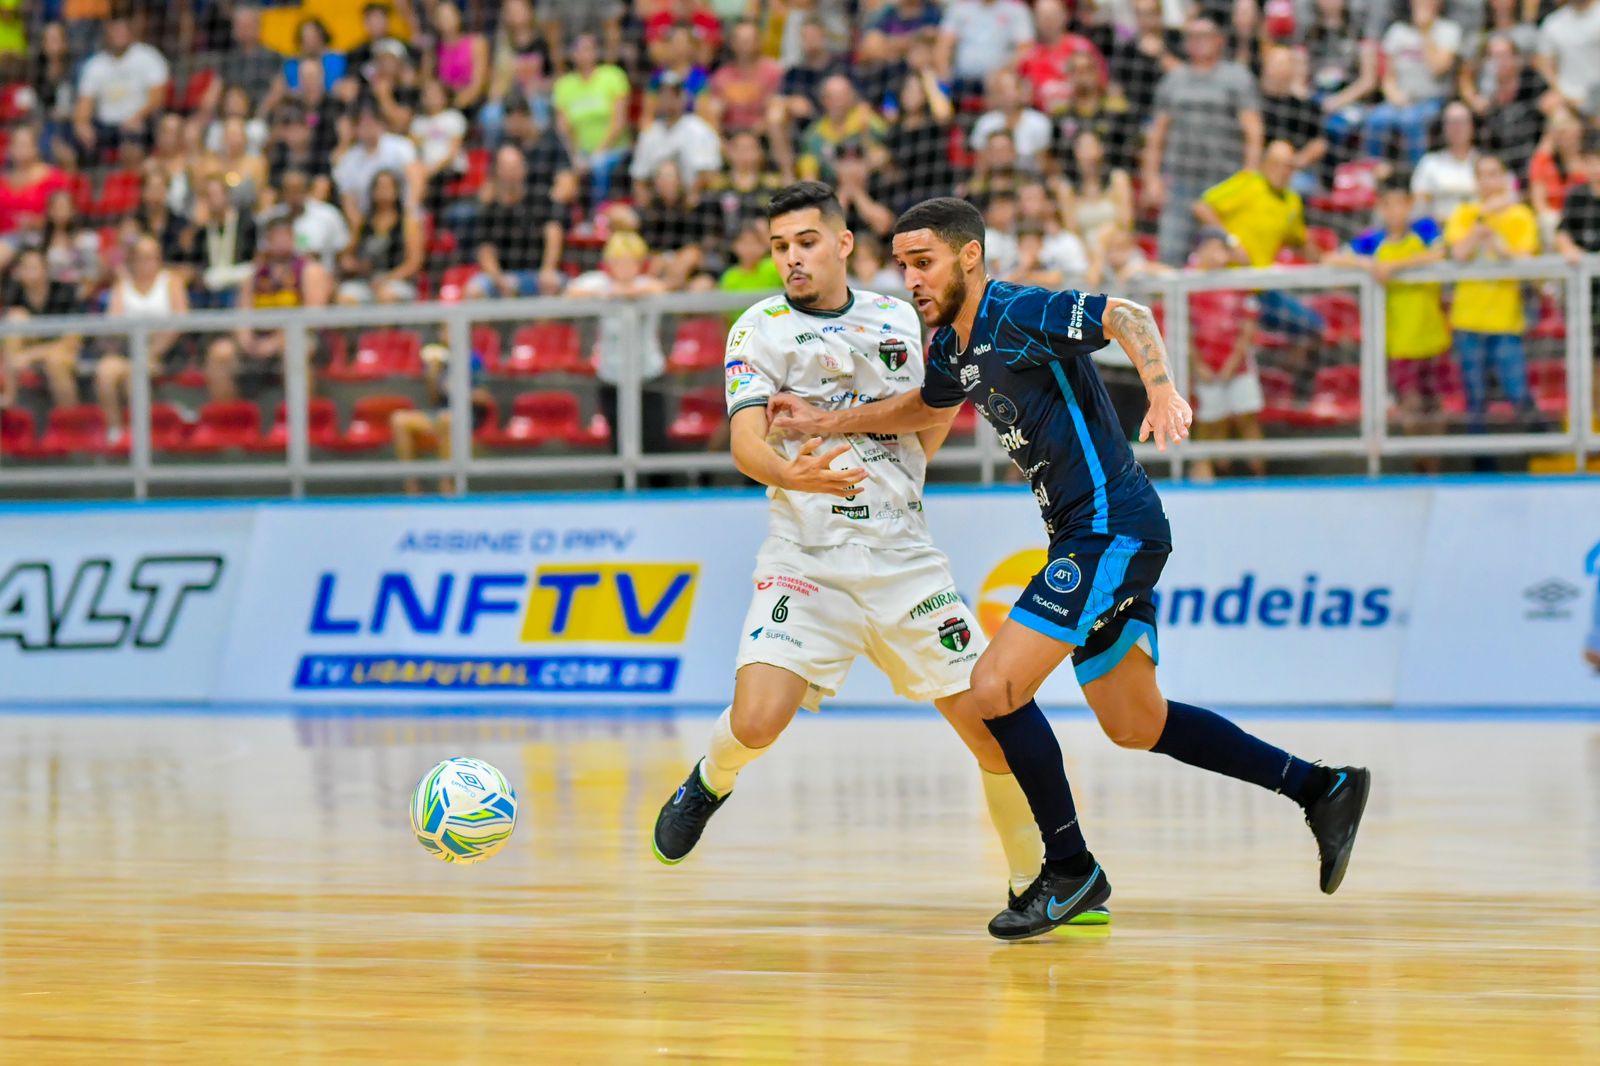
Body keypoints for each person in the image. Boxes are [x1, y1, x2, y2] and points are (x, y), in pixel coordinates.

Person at [768, 195, 1370, 938]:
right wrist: (827, 421)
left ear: (969, 257)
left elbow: (1128, 316)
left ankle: (1070, 869)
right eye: (902, 266)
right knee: (1136, 722)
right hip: (1084, 539)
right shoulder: (951, 348)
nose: (911, 279)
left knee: (994, 687)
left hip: (1111, 529)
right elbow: (925, 406)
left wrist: (1161, 388)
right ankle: (1321, 788)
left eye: (924, 262)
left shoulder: (1018, 311)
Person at [649, 182, 1111, 930]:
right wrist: (790, 473)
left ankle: (1037, 881)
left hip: (903, 557)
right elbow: (743, 442)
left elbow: (934, 411)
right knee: (758, 719)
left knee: (992, 730)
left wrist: (897, 462)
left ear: (842, 244)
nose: (792, 259)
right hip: (806, 555)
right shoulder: (757, 328)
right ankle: (709, 780)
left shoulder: (898, 317)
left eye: (805, 242)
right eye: (779, 247)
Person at [1338, 180, 1450, 451]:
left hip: (1433, 336)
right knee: (1410, 406)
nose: (1394, 211)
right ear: (1379, 208)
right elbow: (1332, 258)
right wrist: (1367, 264)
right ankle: (1419, 464)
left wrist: (1394, 266)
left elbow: (1441, 253)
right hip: (1399, 342)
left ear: (1410, 205)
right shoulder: (1373, 241)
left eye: (1400, 203)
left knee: (1436, 406)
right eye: (1387, 205)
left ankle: (1435, 466)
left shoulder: (1425, 230)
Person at [1142, 15, 1263, 265]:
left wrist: (1250, 174)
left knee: (1227, 257)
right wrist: (1152, 177)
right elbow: (1157, 134)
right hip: (1181, 184)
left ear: (1220, 40)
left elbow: (1253, 128)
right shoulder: (1173, 80)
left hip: (1225, 183)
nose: (1198, 41)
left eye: (1205, 35)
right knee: (1170, 256)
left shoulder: (1237, 76)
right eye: (1193, 36)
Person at [1193, 140, 1325, 348]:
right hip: (1228, 283)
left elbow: (1298, 241)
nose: (1282, 171)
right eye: (1276, 164)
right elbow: (1202, 207)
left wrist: (1326, 260)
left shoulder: (1292, 201)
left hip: (1261, 288)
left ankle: (1291, 369)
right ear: (1265, 164)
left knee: (1315, 326)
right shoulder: (1248, 183)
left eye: (1287, 165)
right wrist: (1231, 241)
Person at [1444, 154, 1538, 429]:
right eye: (1482, 175)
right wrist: (1482, 219)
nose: (1488, 181)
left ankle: (1539, 449)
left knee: (1518, 393)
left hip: (1505, 320)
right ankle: (1480, 455)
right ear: (1475, 181)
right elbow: (1458, 253)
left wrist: (1500, 247)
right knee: (1476, 401)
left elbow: (1527, 260)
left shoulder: (1520, 215)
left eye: (1494, 173)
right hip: (1468, 320)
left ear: (1505, 177)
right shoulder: (1464, 213)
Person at [206, 216, 330, 406]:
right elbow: (242, 314)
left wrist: (276, 342)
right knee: (220, 352)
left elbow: (313, 317)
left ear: (293, 239)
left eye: (285, 236)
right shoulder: (254, 275)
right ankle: (229, 418)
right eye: (275, 237)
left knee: (294, 350)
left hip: (299, 336)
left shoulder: (310, 270)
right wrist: (246, 339)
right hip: (260, 338)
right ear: (267, 241)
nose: (280, 242)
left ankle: (302, 417)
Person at [1186, 227, 1265, 480]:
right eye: (1212, 247)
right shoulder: (1187, 282)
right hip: (1205, 368)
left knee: (1247, 419)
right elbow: (1182, 328)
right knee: (1209, 422)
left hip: (1239, 366)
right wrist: (1198, 365)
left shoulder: (1239, 281)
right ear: (1200, 250)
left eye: (1222, 248)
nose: (1217, 254)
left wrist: (1233, 363)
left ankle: (1260, 477)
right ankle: (1205, 477)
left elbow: (1248, 327)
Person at [94, 235, 189, 434]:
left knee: (135, 374)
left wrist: (152, 351)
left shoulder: (171, 281)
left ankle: (142, 435)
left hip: (166, 351)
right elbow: (113, 323)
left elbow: (180, 321)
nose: (148, 262)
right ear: (133, 260)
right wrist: (135, 347)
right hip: (129, 348)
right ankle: (115, 431)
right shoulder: (122, 285)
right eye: (143, 257)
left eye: (153, 257)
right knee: (105, 371)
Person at [1366, 0, 1461, 166]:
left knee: (1411, 121)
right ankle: (1373, 169)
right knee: (1376, 119)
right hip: (1401, 99)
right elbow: (1388, 77)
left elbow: (1438, 68)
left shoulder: (1448, 30)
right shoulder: (1397, 31)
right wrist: (1394, 95)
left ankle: (1416, 172)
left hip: (1432, 99)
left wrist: (1425, 32)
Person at [467, 146, 565, 298]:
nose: (511, 172)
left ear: (524, 168)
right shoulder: (488, 208)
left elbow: (554, 233)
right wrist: (499, 279)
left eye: (515, 166)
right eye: (506, 167)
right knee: (474, 291)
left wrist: (548, 269)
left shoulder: (540, 199)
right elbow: (485, 250)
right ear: (497, 171)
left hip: (537, 275)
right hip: (502, 276)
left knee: (560, 286)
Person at [72, 16, 170, 161]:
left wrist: (137, 117)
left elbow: (157, 98)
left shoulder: (148, 57)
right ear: (107, 32)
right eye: (115, 30)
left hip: (140, 122)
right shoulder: (95, 64)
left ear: (131, 31)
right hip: (106, 126)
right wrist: (82, 124)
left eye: (122, 29)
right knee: (69, 142)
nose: (119, 34)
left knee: (133, 141)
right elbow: (85, 102)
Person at [551, 33, 632, 201]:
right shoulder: (563, 85)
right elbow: (563, 128)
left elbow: (619, 122)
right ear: (572, 54)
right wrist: (575, 156)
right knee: (564, 178)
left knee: (598, 166)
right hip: (579, 153)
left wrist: (598, 153)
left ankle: (598, 212)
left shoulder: (613, 76)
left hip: (614, 151)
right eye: (579, 49)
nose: (584, 54)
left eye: (588, 49)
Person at [0, 247, 82, 412]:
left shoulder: (65, 292)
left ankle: (71, 419)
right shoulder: (14, 294)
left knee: (55, 362)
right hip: (28, 350)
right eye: (25, 267)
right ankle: (10, 398)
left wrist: (30, 355)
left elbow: (71, 341)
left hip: (64, 351)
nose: (30, 273)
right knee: (16, 317)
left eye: (34, 267)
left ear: (46, 269)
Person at [336, 169, 423, 304]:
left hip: (397, 281)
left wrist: (387, 279)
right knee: (345, 297)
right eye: (379, 186)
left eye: (388, 186)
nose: (383, 190)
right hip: (366, 281)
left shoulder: (408, 222)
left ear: (397, 190)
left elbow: (414, 263)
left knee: (385, 295)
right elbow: (346, 255)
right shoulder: (363, 223)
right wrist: (353, 265)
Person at [1411, 100, 1479, 224]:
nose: (1457, 128)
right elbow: (1419, 204)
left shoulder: (1485, 162)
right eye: (1451, 123)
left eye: (1462, 122)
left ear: (1472, 126)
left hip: (1479, 227)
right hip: (1439, 228)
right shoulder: (1429, 163)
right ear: (1443, 128)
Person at [1534, 0, 1600, 118]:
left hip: (1597, 96)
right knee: (1557, 118)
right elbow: (1545, 65)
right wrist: (1561, 93)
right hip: (1566, 100)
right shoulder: (1552, 23)